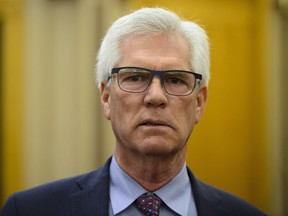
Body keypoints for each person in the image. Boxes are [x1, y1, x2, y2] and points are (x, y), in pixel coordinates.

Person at [1, 7, 266, 216]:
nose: (155, 97)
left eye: (175, 79)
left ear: (199, 102)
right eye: (135, 77)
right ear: (106, 97)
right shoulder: (28, 210)